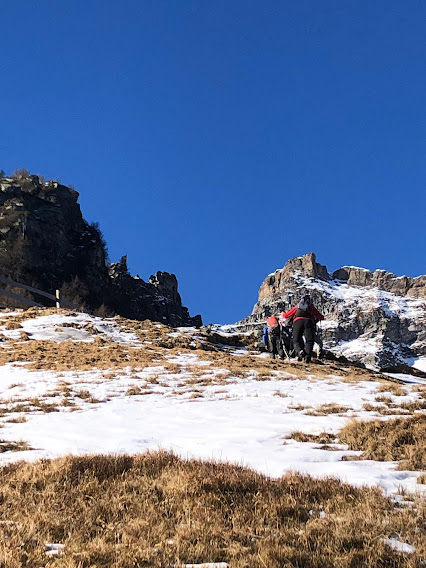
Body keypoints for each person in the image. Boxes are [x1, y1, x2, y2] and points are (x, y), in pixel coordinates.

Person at [282, 295, 324, 363]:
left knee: (296, 340)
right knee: (309, 341)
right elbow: (320, 316)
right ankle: (307, 358)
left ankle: (299, 351)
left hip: (297, 322)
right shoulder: (311, 307)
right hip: (308, 322)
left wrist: (283, 313)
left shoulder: (297, 306)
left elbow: (286, 315)